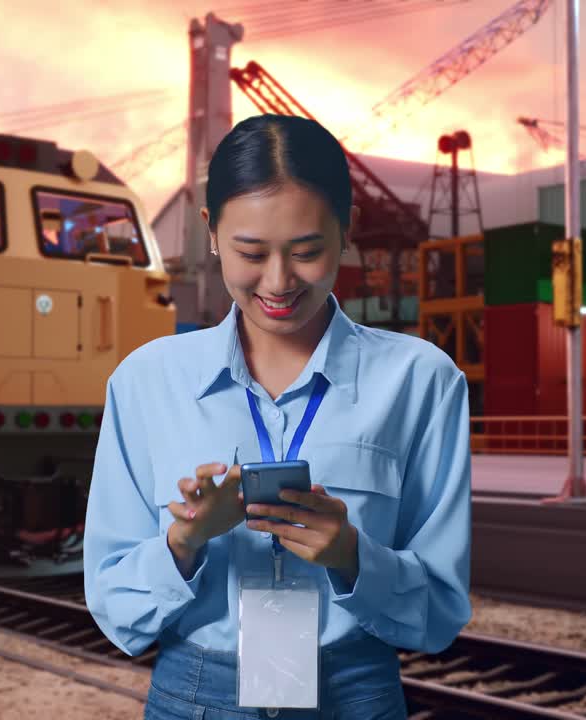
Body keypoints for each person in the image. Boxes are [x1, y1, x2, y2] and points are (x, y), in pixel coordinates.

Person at [83, 113, 472, 719]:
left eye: (307, 251)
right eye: (251, 251)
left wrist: (350, 554)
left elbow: (439, 613)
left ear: (348, 231)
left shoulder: (422, 381)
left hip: (355, 696)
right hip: (194, 698)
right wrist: (184, 541)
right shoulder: (145, 381)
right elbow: (114, 608)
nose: (278, 281)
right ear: (211, 232)